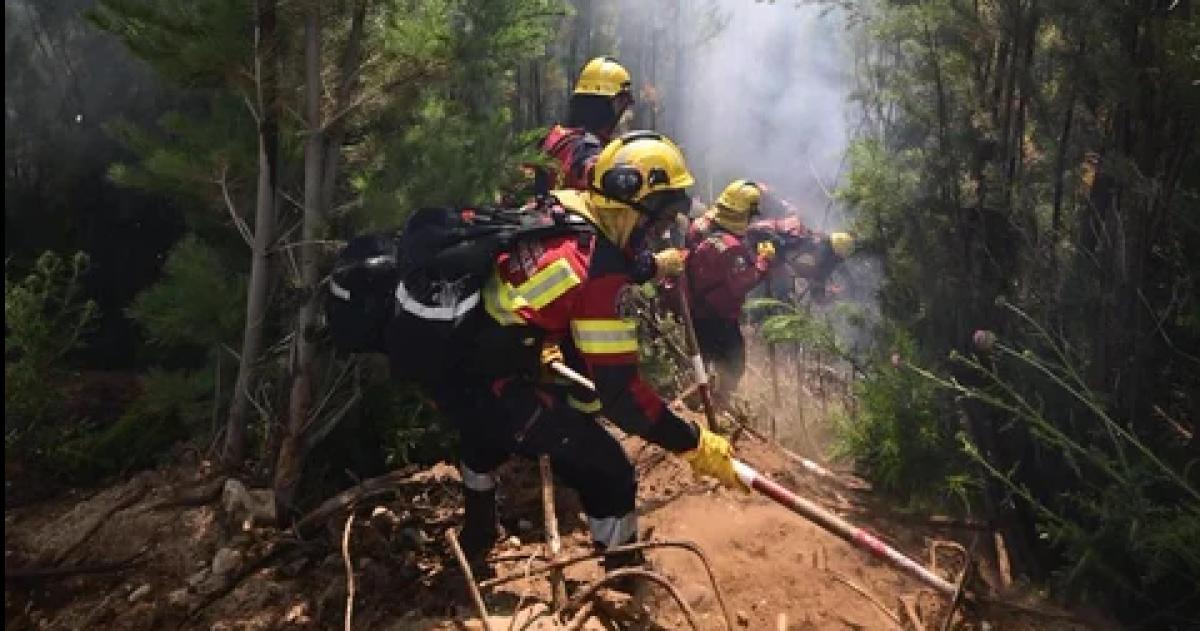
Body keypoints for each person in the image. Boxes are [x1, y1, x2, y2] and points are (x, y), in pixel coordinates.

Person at [424, 131, 745, 581]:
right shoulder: (599, 277)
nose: (655, 233)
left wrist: (651, 266)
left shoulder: (566, 207)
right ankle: (624, 579)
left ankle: (478, 532)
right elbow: (625, 399)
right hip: (491, 383)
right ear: (631, 203)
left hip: (464, 364)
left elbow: (585, 267)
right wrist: (693, 443)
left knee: (485, 436)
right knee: (610, 468)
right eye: (656, 219)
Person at [681, 179, 780, 408]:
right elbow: (740, 283)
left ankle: (695, 402)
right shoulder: (731, 247)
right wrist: (763, 263)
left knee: (700, 361)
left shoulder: (700, 227)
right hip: (720, 317)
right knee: (734, 363)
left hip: (695, 310)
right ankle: (719, 405)